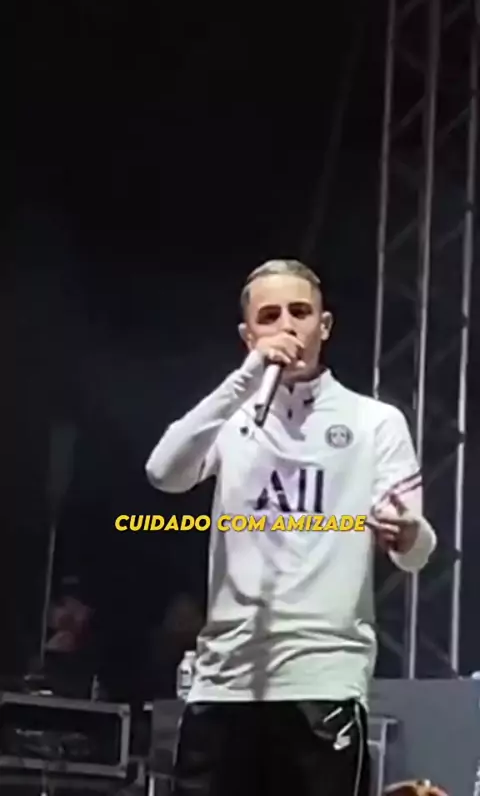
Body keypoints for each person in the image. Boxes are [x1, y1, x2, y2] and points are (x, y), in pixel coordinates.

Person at [145, 259, 437, 796]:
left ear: (324, 326)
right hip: (225, 681)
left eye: (300, 312)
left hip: (321, 680)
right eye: (270, 316)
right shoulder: (233, 417)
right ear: (248, 335)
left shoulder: (374, 421)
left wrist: (409, 532)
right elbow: (164, 473)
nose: (287, 326)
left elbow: (416, 553)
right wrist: (244, 381)